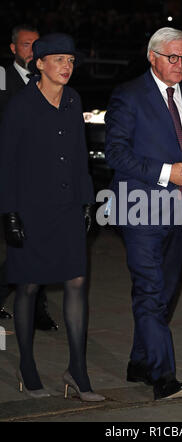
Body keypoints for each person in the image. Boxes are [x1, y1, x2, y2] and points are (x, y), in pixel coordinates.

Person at [105, 27, 182, 400]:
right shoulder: (128, 95)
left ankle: (140, 361)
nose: (180, 64)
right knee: (150, 291)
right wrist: (167, 172)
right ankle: (163, 376)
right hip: (139, 207)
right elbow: (116, 154)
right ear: (152, 56)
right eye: (172, 57)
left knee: (165, 293)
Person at [0, 33, 104, 402]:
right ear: (40, 64)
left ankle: (77, 372)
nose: (66, 67)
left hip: (67, 208)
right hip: (30, 210)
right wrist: (9, 214)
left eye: (71, 61)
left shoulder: (74, 100)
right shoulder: (20, 105)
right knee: (28, 287)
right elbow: (7, 164)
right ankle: (28, 371)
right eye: (59, 59)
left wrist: (88, 202)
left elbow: (79, 154)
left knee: (77, 282)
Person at [0, 24, 58, 331]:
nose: (31, 50)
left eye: (36, 45)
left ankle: (37, 308)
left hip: (42, 175)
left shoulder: (46, 79)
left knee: (36, 242)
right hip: (11, 173)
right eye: (25, 45)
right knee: (23, 243)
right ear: (13, 49)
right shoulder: (2, 76)